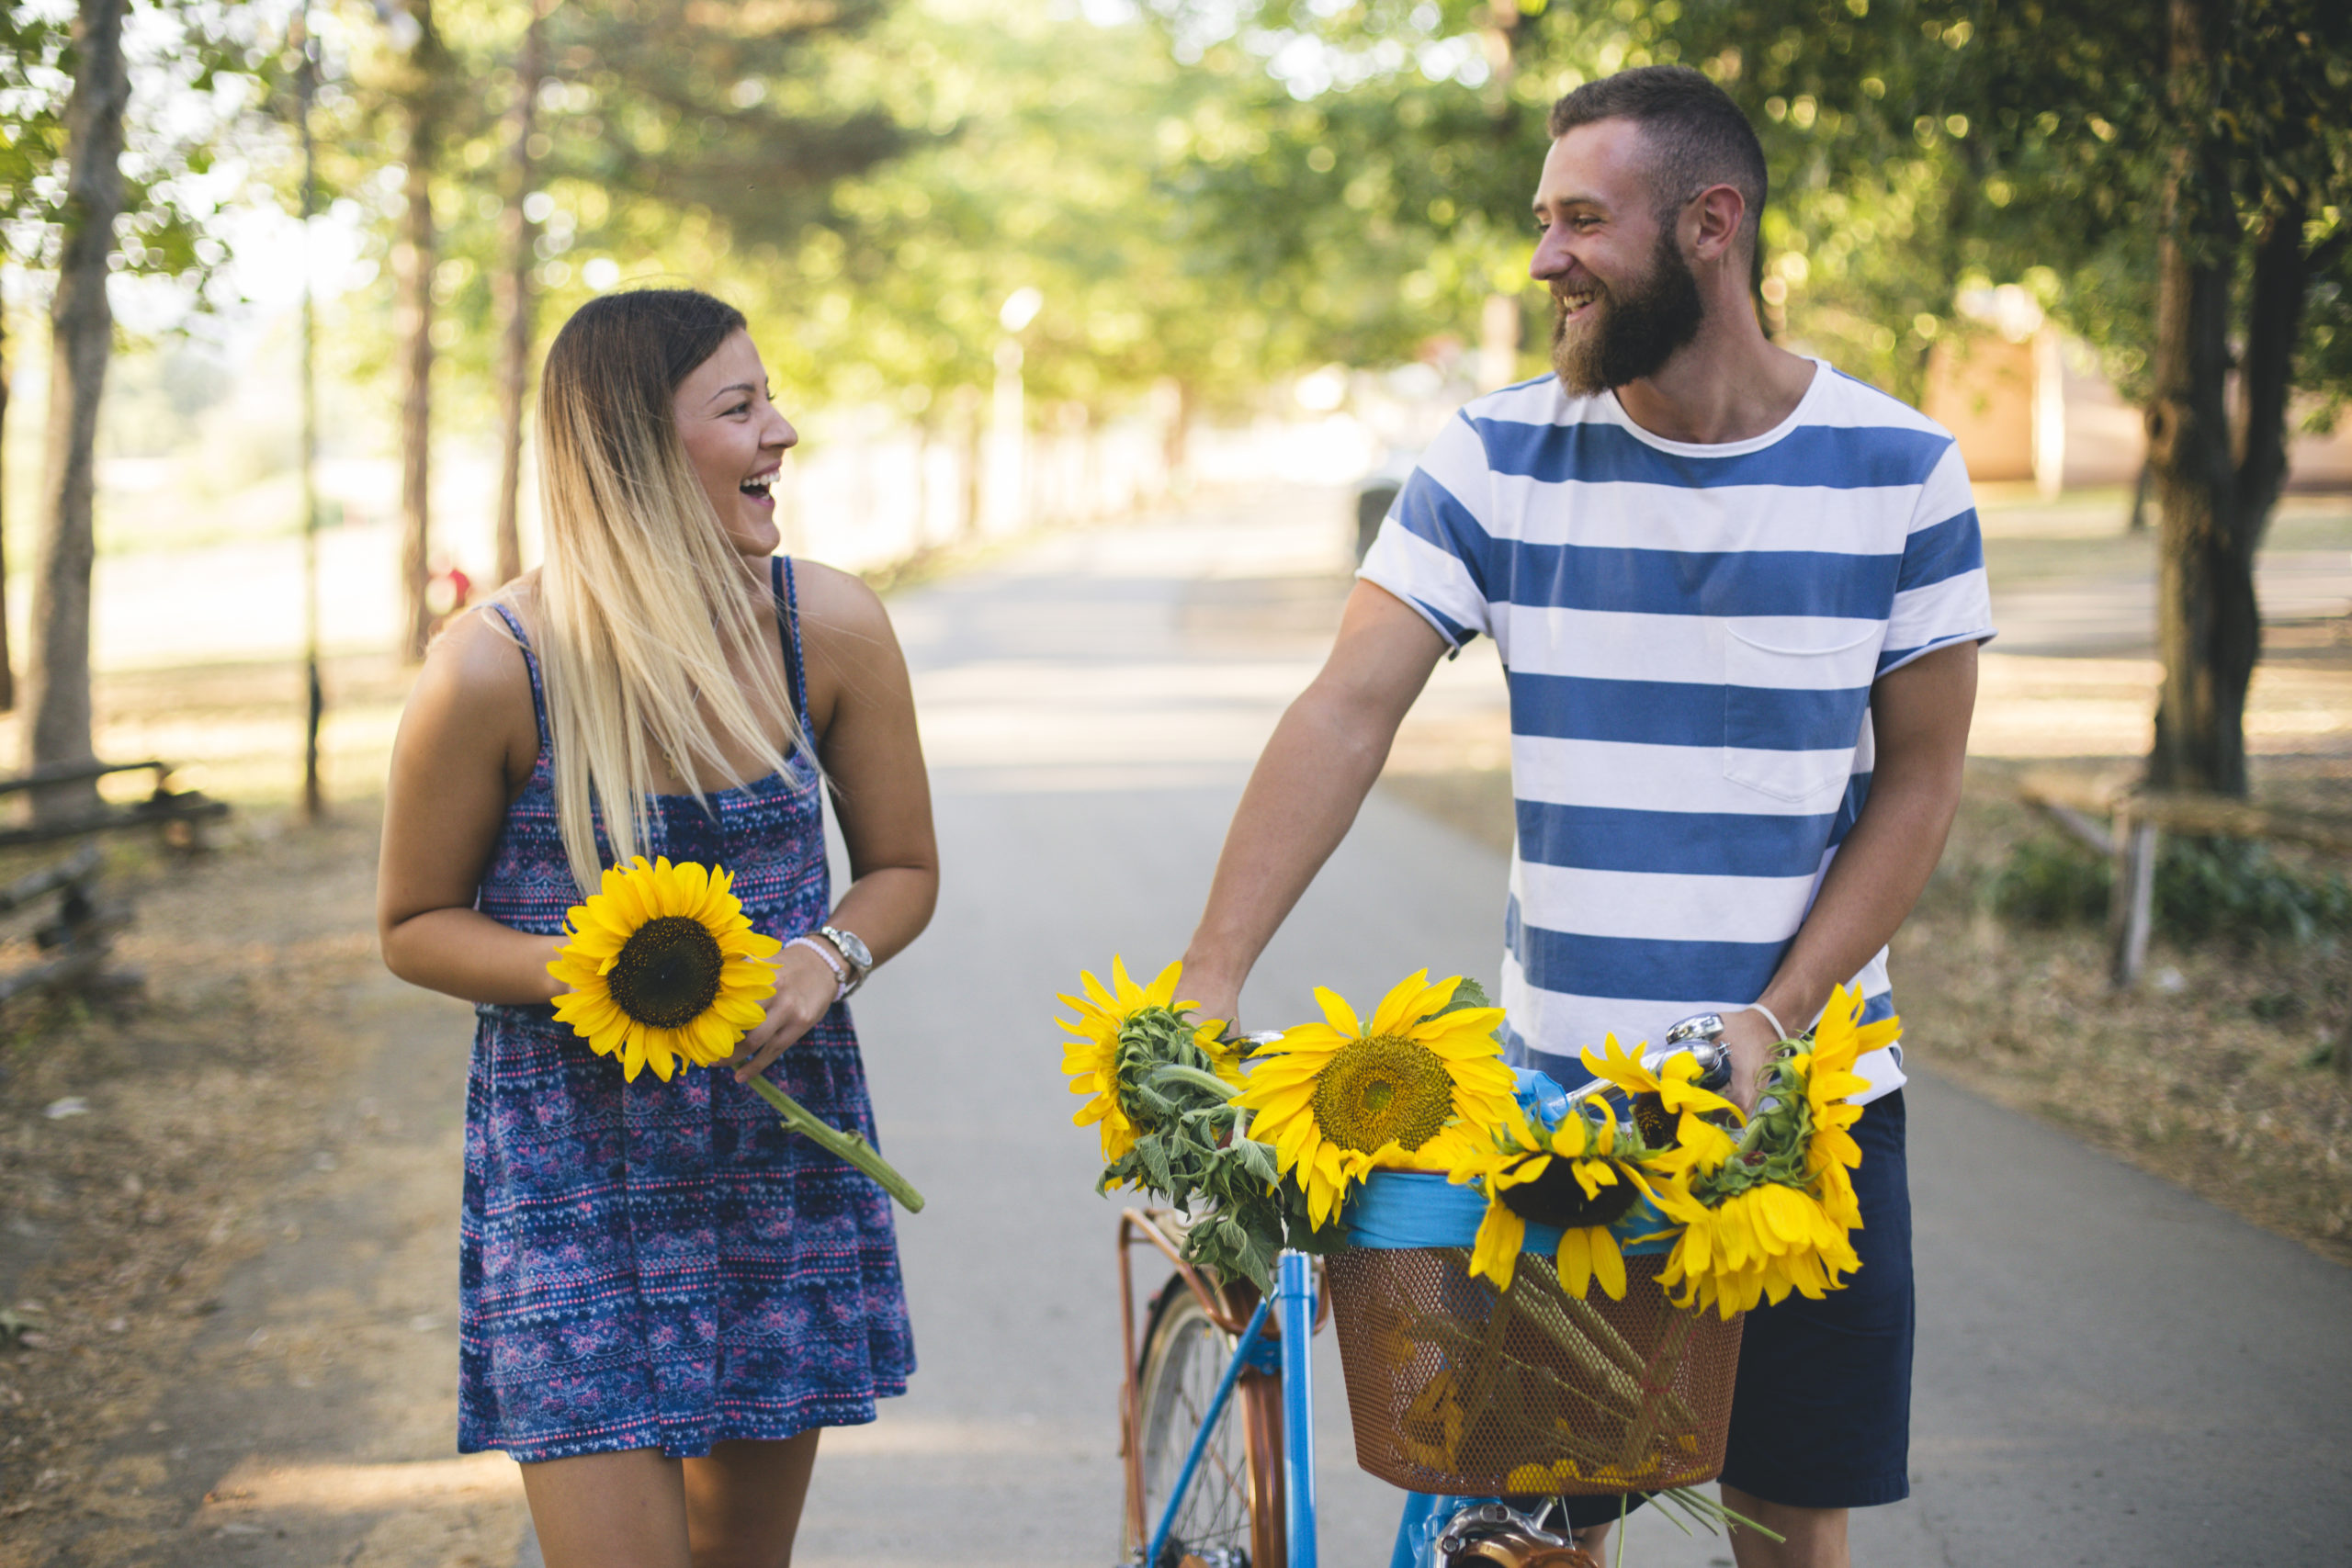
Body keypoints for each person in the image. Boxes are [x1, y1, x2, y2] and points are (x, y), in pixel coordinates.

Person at [1180, 67, 1992, 1568]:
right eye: (1541, 219)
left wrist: (1773, 1017)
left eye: (1579, 220)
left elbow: (1922, 784)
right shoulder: (1494, 457)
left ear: (1710, 224)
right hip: (1556, 1114)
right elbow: (1348, 709)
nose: (1545, 257)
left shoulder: (1904, 473)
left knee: (1788, 1527)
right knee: (1540, 1534)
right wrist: (1212, 970)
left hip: (1806, 1114)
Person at [378, 288, 936, 1568]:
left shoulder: (830, 630)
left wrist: (824, 955)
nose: (781, 432)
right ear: (634, 448)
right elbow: (412, 922)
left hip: (770, 1164)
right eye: (740, 408)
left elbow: (902, 869)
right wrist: (602, 974)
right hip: (570, 1180)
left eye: (770, 399)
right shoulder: (490, 667)